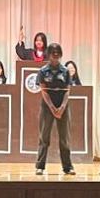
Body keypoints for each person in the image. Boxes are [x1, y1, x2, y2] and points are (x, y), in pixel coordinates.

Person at [35, 43, 75, 175]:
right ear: (48, 54)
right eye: (53, 53)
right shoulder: (42, 71)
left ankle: (67, 167)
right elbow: (44, 91)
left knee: (65, 138)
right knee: (44, 137)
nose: (55, 55)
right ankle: (40, 166)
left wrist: (62, 107)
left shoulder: (65, 71)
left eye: (58, 53)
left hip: (63, 106)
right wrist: (52, 108)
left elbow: (67, 90)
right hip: (47, 107)